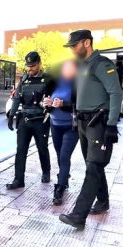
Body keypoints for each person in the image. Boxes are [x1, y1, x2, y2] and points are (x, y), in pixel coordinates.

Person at [60, 30, 122, 229]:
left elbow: (116, 93)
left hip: (99, 124)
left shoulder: (101, 64)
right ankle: (102, 202)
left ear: (86, 43)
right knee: (93, 165)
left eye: (74, 45)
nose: (72, 49)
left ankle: (79, 215)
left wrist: (112, 124)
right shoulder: (82, 66)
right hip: (83, 123)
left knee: (93, 167)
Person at [7, 51, 56, 190]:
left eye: (33, 66)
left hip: (41, 120)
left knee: (42, 148)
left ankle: (46, 172)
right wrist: (11, 115)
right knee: (21, 150)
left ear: (39, 63)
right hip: (25, 120)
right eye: (28, 66)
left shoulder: (48, 79)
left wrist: (53, 105)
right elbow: (17, 97)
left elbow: (56, 97)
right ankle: (18, 180)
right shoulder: (24, 79)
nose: (30, 69)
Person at [43, 60, 79, 205]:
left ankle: (60, 188)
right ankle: (64, 176)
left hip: (71, 126)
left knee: (64, 156)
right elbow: (45, 103)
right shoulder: (54, 83)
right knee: (59, 154)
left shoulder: (78, 84)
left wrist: (63, 104)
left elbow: (80, 105)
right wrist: (47, 104)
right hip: (55, 124)